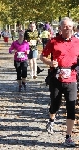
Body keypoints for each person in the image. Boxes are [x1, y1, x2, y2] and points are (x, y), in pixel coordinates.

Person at [40, 17, 79, 147]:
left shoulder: (77, 42)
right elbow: (42, 56)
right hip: (56, 78)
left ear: (73, 28)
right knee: (55, 105)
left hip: (72, 79)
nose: (67, 28)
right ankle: (52, 118)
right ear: (60, 28)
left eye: (69, 26)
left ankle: (68, 137)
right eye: (64, 26)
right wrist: (50, 62)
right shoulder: (53, 41)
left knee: (71, 108)